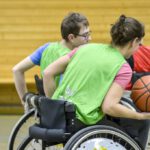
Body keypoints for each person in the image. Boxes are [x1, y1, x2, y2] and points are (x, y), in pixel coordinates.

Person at [43, 15, 150, 149]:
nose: (138, 48)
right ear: (134, 41)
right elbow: (109, 107)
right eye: (139, 44)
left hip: (58, 116)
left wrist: (55, 103)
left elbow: (48, 73)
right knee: (140, 124)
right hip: (83, 122)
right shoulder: (123, 67)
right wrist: (139, 115)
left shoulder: (84, 48)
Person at [12, 12, 91, 109]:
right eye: (85, 35)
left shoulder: (46, 48)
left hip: (46, 107)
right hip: (64, 111)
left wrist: (25, 101)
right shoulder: (75, 57)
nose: (90, 38)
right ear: (71, 37)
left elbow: (17, 70)